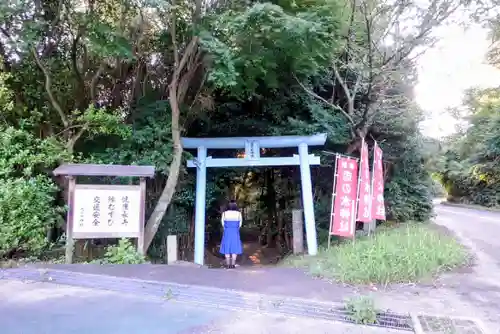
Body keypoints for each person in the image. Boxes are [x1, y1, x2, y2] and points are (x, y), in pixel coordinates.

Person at [219, 201, 243, 269]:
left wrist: (226, 228)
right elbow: (240, 224)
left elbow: (222, 223)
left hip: (227, 232)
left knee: (227, 247)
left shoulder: (224, 214)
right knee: (234, 248)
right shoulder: (238, 214)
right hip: (235, 232)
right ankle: (233, 264)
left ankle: (227, 264)